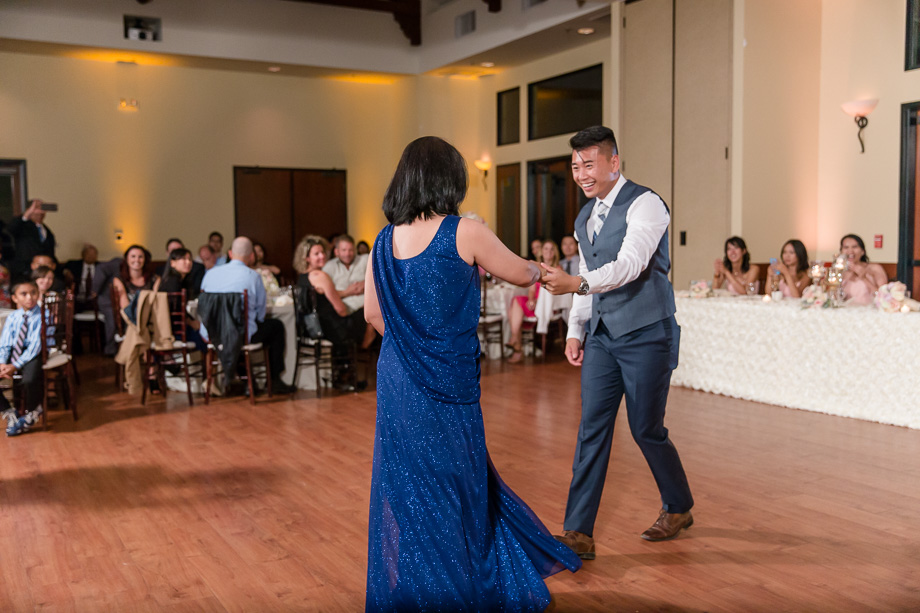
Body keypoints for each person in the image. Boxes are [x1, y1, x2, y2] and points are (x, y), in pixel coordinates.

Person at [364, 136, 580, 611]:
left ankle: (418, 587)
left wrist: (411, 347)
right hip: (447, 379)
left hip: (398, 377)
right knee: (456, 480)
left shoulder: (382, 240)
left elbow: (372, 315)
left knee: (407, 484)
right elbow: (523, 274)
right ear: (449, 179)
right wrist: (572, 277)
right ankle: (458, 587)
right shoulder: (464, 231)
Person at [540, 125, 694, 560]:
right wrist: (575, 330)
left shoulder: (646, 204)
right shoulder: (583, 218)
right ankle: (579, 533)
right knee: (592, 429)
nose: (581, 173)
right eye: (575, 166)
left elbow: (629, 265)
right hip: (604, 338)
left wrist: (577, 283)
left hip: (648, 333)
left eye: (589, 164)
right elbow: (589, 284)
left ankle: (679, 506)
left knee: (646, 429)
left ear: (613, 162)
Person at [199, 237, 295, 394]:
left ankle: (245, 381)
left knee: (238, 329)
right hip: (239, 334)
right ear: (252, 256)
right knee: (275, 327)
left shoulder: (210, 274)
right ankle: (274, 380)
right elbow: (260, 313)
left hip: (212, 334)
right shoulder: (253, 276)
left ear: (230, 253)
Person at [294, 235, 366, 385]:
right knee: (365, 318)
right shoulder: (321, 276)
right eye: (316, 254)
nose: (322, 256)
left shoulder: (302, 277)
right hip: (330, 328)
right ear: (307, 258)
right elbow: (340, 308)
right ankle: (347, 375)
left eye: (322, 252)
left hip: (312, 327)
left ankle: (342, 372)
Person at [0, 280, 44, 436]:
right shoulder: (13, 317)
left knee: (29, 379)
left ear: (38, 294)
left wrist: (14, 366)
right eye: (23, 294)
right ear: (14, 298)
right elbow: (5, 343)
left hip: (34, 353)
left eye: (33, 293)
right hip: (14, 352)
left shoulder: (42, 316)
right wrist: (3, 363)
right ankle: (8, 410)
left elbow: (35, 346)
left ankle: (33, 411)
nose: (29, 297)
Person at [506, 239, 560, 364]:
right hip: (535, 301)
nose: (548, 251)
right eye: (546, 248)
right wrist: (531, 300)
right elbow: (531, 289)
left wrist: (536, 301)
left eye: (551, 249)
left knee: (516, 305)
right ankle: (516, 343)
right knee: (516, 301)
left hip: (548, 304)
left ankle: (516, 345)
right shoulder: (537, 267)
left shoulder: (557, 268)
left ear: (555, 252)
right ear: (542, 251)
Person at [159, 247, 206, 352]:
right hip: (173, 330)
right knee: (205, 340)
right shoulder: (173, 282)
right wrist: (191, 322)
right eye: (183, 259)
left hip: (175, 327)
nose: (188, 262)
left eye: (189, 259)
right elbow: (176, 311)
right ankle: (208, 368)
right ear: (172, 263)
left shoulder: (178, 281)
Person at [8, 198, 56, 282]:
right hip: (23, 273)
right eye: (37, 208)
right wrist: (26, 215)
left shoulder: (48, 232)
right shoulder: (21, 226)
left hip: (44, 277)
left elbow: (51, 254)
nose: (41, 211)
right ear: (29, 210)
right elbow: (9, 230)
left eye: (43, 208)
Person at [322, 234, 368, 314]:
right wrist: (346, 292)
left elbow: (382, 279)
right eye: (344, 250)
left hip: (366, 308)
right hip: (340, 312)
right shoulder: (329, 266)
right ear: (336, 251)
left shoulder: (365, 260)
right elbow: (324, 293)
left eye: (350, 250)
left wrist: (367, 284)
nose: (347, 254)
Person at [840, 234, 888, 305]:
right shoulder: (839, 271)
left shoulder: (874, 268)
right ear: (841, 251)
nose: (850, 251)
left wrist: (864, 278)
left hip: (870, 311)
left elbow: (884, 297)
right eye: (846, 247)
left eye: (855, 247)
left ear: (862, 251)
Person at [112, 245, 158, 310]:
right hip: (129, 317)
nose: (137, 260)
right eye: (133, 256)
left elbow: (156, 304)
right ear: (127, 259)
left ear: (145, 259)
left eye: (140, 257)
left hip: (151, 316)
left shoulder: (155, 279)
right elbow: (125, 308)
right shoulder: (119, 280)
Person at [63, 243, 98, 311]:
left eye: (94, 254)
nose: (91, 256)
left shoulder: (101, 267)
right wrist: (66, 272)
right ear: (83, 255)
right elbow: (62, 270)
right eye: (88, 254)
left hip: (94, 298)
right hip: (78, 297)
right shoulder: (74, 264)